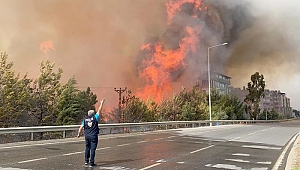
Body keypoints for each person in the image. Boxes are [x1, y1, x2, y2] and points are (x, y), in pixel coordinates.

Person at [77, 99, 105, 167]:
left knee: (87, 148)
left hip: (87, 136)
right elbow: (99, 110)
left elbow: (80, 127)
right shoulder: (95, 118)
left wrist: (78, 134)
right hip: (93, 136)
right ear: (93, 114)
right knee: (93, 149)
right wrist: (101, 103)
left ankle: (86, 161)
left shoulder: (85, 120)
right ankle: (91, 163)